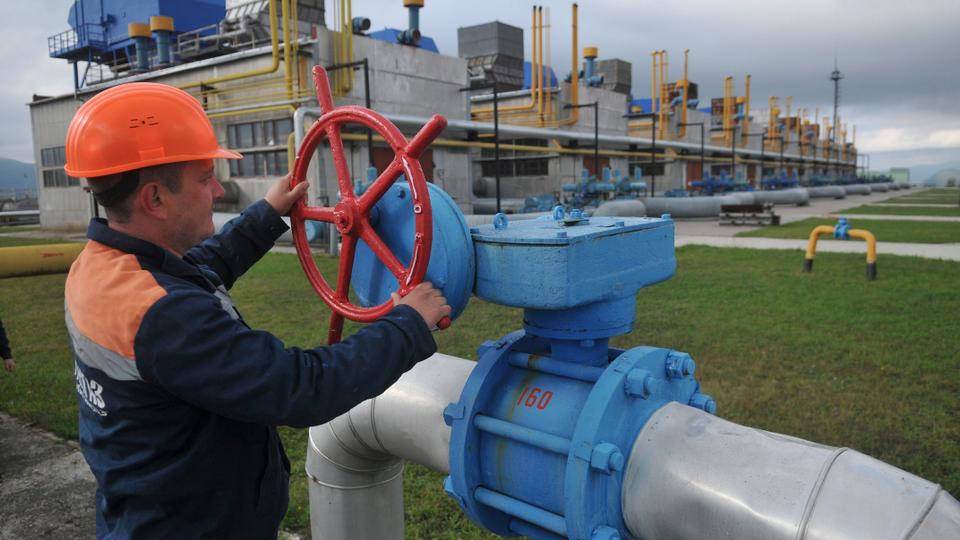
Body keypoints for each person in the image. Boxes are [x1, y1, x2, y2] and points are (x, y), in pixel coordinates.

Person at [62, 82, 450, 538]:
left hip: (145, 510)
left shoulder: (102, 269)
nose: (219, 189)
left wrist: (267, 213)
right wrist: (406, 325)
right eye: (205, 177)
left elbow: (200, 270)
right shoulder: (165, 317)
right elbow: (299, 386)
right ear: (155, 199)